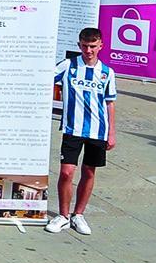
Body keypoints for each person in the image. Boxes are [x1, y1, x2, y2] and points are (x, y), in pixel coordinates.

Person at [47, 27, 115, 235]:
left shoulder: (107, 72)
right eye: (85, 46)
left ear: (100, 46)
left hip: (97, 130)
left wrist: (112, 132)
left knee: (88, 171)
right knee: (67, 172)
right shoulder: (69, 65)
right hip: (72, 128)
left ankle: (79, 214)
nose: (88, 50)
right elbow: (46, 79)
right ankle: (63, 215)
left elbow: (110, 103)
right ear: (79, 46)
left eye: (93, 46)